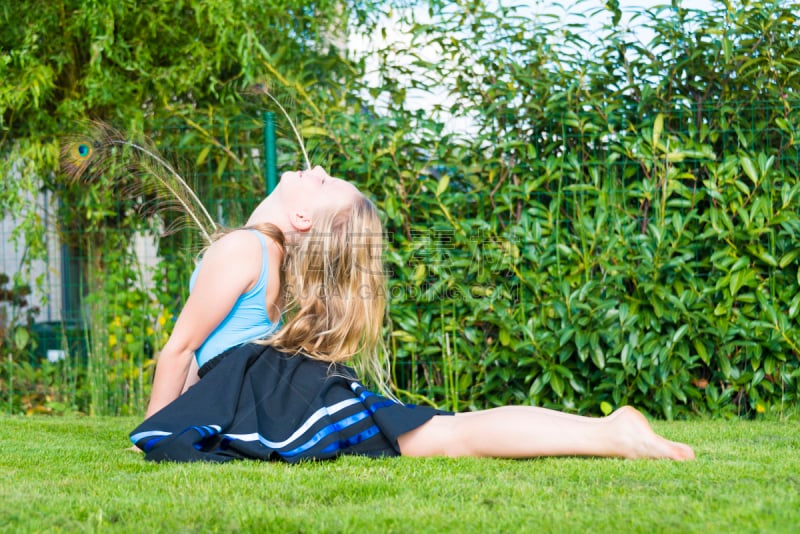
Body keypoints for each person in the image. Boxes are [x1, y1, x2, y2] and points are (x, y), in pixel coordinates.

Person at [131, 166, 695, 462]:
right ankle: (607, 432)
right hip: (267, 385)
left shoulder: (242, 248)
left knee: (444, 436)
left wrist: (152, 432)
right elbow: (202, 360)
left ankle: (611, 434)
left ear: (302, 216)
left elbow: (180, 349)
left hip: (270, 387)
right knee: (445, 434)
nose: (317, 167)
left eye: (321, 182)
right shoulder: (262, 251)